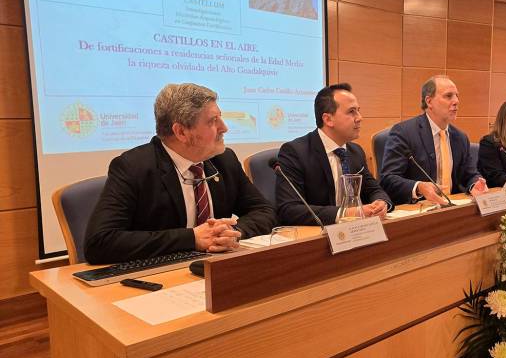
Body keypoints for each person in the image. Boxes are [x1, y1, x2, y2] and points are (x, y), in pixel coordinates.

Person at [84, 83, 277, 264]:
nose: (224, 128)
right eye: (213, 121)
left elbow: (264, 211)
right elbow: (100, 242)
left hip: (216, 267)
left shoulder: (224, 160)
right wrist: (191, 238)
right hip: (161, 275)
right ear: (181, 132)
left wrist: (232, 232)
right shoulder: (134, 167)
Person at [276, 83, 392, 225]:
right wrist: (345, 213)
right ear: (328, 119)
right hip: (317, 236)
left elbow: (374, 189)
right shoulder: (295, 152)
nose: (359, 118)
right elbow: (289, 209)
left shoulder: (355, 151)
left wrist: (380, 202)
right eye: (351, 112)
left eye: (358, 111)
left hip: (357, 233)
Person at [379, 75, 488, 205]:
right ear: (429, 101)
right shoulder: (404, 133)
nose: (456, 101)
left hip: (453, 208)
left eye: (457, 96)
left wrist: (475, 183)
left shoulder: (460, 137)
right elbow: (388, 179)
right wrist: (419, 187)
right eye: (448, 96)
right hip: (419, 210)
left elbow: (469, 174)